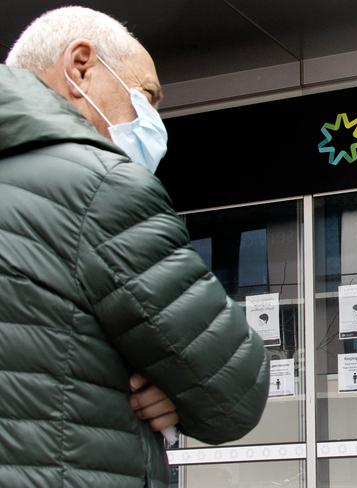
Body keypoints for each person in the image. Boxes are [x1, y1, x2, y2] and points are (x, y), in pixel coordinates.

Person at [0, 6, 270, 487]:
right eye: (145, 97)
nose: (152, 121)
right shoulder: (96, 188)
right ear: (80, 66)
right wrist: (173, 389)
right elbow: (235, 392)